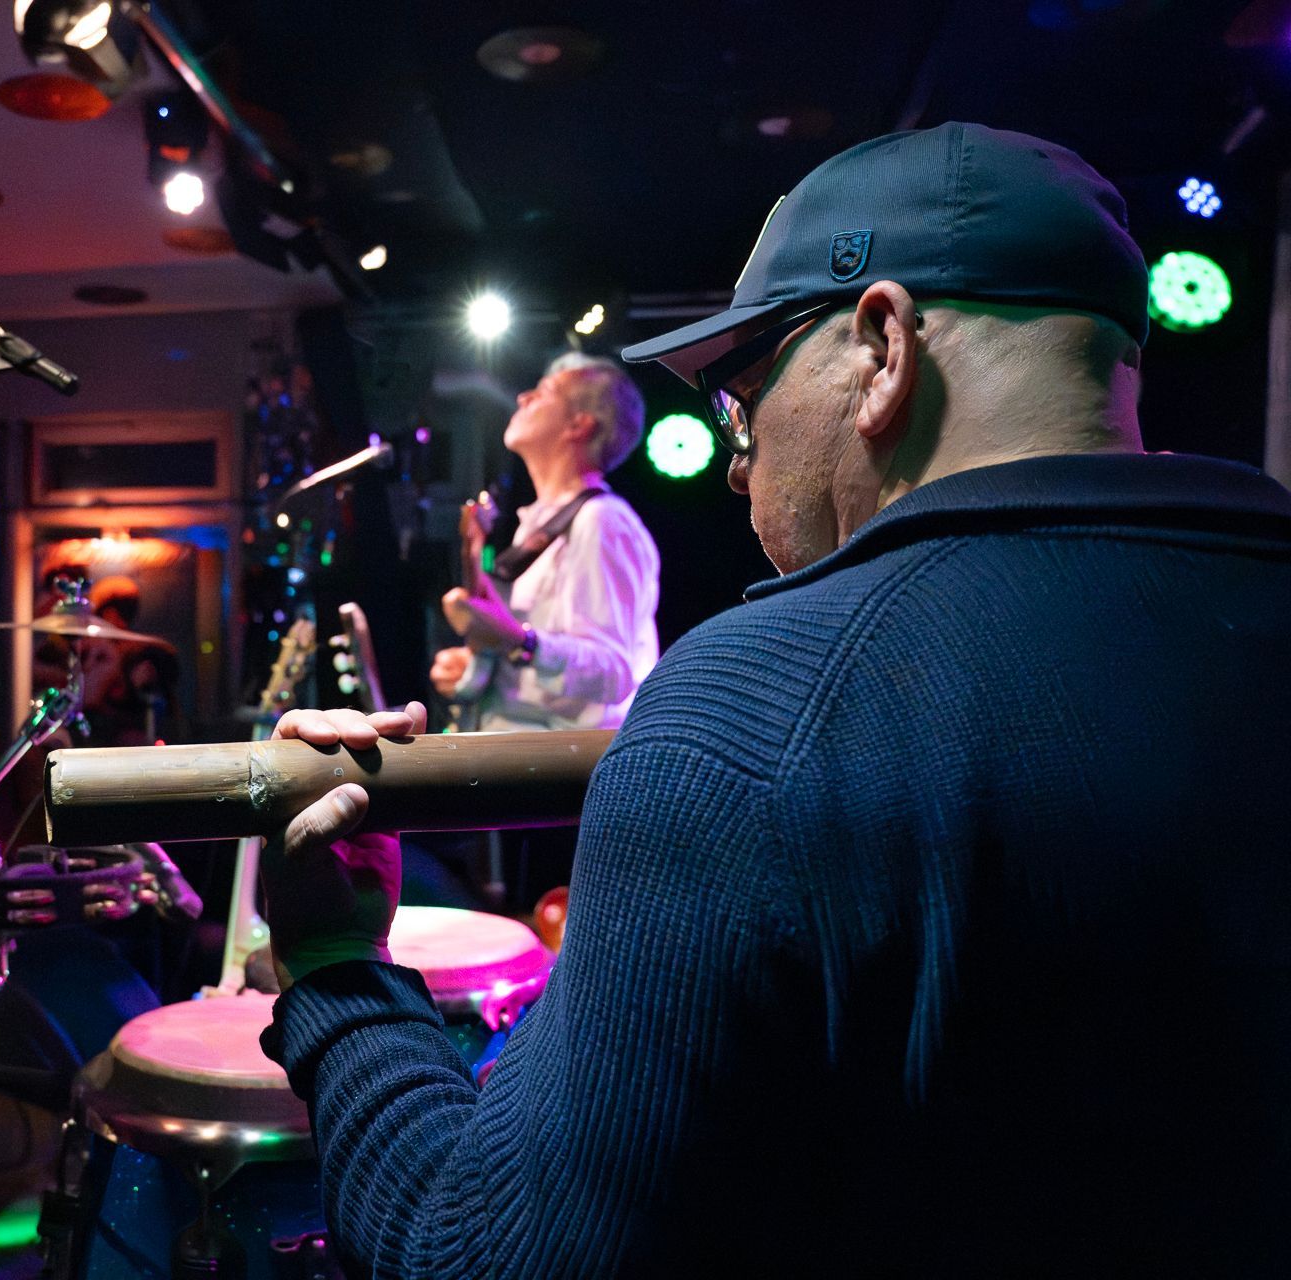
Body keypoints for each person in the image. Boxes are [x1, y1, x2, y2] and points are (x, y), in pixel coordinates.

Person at [256, 122, 1291, 1274]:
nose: (738, 461)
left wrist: (338, 968)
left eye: (741, 397)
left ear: (882, 346)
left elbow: (474, 1257)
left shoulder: (753, 707)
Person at [428, 354, 660, 732]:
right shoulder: (537, 527)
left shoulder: (601, 521)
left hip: (562, 760)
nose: (524, 397)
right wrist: (474, 669)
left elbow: (615, 674)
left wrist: (520, 641)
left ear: (578, 424)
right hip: (517, 748)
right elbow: (534, 667)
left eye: (544, 391)